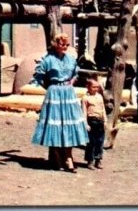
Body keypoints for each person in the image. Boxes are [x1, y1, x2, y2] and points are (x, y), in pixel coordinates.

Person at [30, 33, 89, 172]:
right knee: (55, 124)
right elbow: (39, 77)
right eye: (62, 44)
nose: (64, 47)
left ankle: (69, 157)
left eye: (67, 44)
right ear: (55, 44)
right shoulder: (47, 60)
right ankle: (56, 157)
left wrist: (71, 82)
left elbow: (75, 73)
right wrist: (51, 87)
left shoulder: (71, 59)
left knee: (69, 124)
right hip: (54, 94)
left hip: (68, 93)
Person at [82, 77, 106, 169]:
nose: (96, 89)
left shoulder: (99, 96)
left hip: (100, 121)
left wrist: (105, 120)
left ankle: (98, 160)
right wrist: (85, 123)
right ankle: (90, 161)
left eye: (97, 87)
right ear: (88, 87)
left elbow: (102, 108)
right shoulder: (85, 98)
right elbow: (84, 111)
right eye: (94, 87)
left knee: (100, 141)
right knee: (91, 142)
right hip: (91, 121)